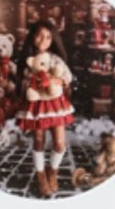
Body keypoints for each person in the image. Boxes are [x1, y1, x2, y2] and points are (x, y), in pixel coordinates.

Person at [16, 19, 74, 197]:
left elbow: (67, 76)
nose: (43, 40)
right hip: (37, 103)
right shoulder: (28, 60)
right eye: (40, 36)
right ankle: (40, 176)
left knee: (59, 143)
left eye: (48, 37)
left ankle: (52, 171)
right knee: (39, 139)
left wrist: (56, 80)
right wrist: (32, 82)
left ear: (53, 39)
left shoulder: (54, 58)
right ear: (33, 37)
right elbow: (22, 80)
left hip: (55, 103)